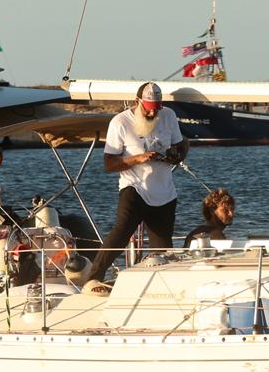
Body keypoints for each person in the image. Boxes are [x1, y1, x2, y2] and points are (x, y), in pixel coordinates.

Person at [74, 82, 189, 292]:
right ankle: (92, 279)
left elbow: (183, 144)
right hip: (134, 187)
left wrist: (176, 156)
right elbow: (109, 164)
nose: (153, 111)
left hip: (164, 192)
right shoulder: (120, 122)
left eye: (157, 106)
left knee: (163, 249)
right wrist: (138, 158)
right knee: (121, 231)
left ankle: (162, 290)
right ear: (137, 103)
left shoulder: (168, 115)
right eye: (148, 106)